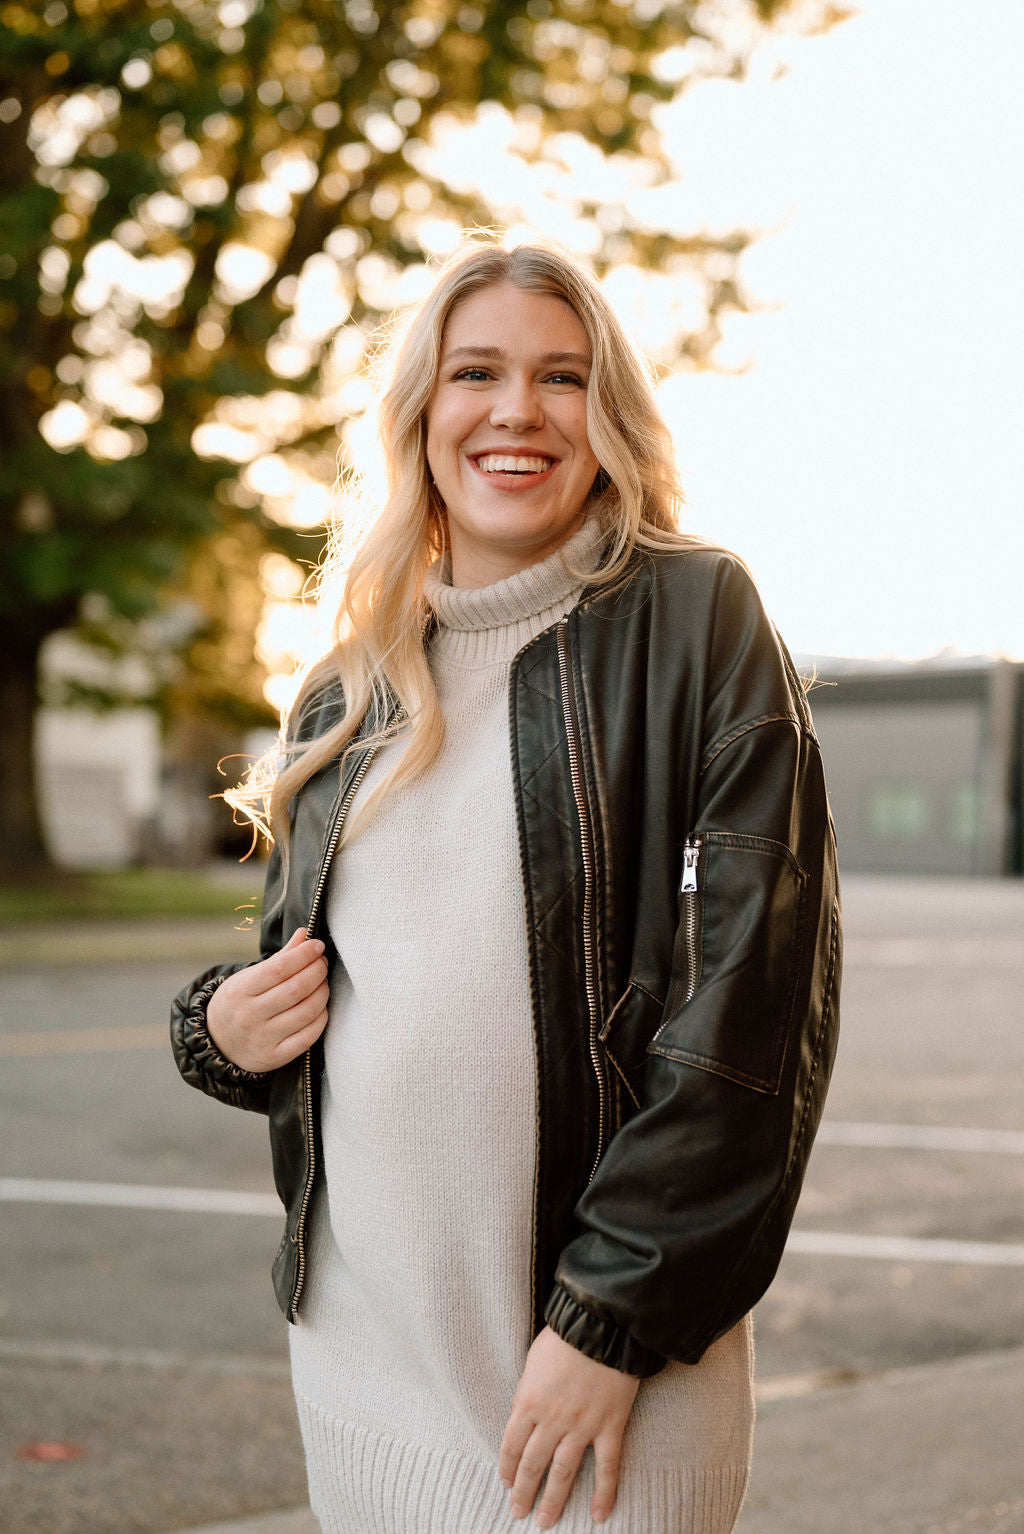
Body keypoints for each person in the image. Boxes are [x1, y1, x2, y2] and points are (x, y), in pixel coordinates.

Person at [171, 240, 841, 1534]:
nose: (516, 410)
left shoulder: (699, 619)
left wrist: (609, 1318)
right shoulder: (343, 687)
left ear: (610, 417)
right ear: (422, 410)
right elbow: (313, 986)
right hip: (372, 1354)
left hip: (608, 1357)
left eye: (562, 377)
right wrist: (215, 1030)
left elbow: (752, 1008)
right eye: (476, 371)